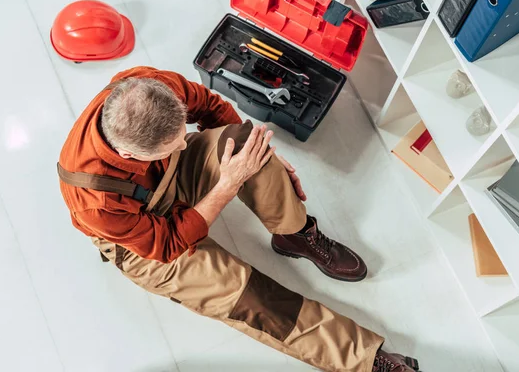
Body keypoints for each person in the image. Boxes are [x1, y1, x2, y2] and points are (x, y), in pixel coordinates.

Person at [58, 66, 420, 372]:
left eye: (183, 136)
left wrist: (257, 157)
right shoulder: (96, 200)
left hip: (171, 177)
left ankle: (294, 235)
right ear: (128, 154)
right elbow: (167, 243)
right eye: (174, 145)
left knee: (245, 142)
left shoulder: (149, 86)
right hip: (149, 242)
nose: (186, 144)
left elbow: (211, 108)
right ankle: (366, 360)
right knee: (253, 300)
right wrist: (228, 184)